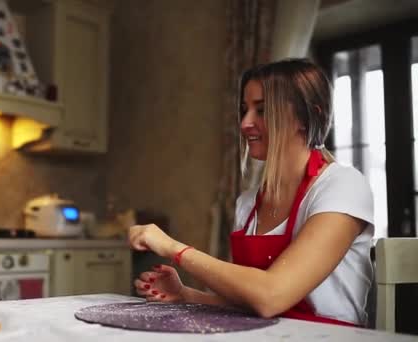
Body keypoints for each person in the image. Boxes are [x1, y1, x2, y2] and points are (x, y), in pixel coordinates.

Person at [129, 58, 374, 327]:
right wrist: (184, 295)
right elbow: (250, 303)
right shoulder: (248, 205)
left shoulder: (343, 186)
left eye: (262, 110)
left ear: (306, 118)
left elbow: (271, 295)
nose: (245, 123)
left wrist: (173, 247)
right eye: (244, 110)